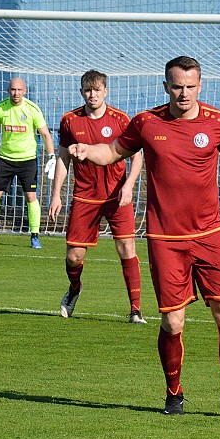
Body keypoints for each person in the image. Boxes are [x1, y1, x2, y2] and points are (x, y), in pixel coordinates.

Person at [68, 56, 220, 417]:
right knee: (173, 321)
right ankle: (174, 394)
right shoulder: (146, 123)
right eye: (176, 86)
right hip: (165, 238)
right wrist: (85, 151)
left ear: (200, 85)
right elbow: (112, 151)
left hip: (210, 235)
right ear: (166, 86)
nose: (183, 93)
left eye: (190, 86)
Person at [49, 70, 147, 324]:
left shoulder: (121, 120)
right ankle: (74, 288)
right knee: (74, 256)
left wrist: (130, 185)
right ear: (82, 92)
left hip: (117, 197)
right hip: (85, 196)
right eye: (87, 90)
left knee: (127, 248)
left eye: (97, 90)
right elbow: (63, 158)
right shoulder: (70, 120)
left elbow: (137, 154)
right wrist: (56, 194)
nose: (92, 94)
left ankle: (135, 309)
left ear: (106, 91)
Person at [0, 77, 55, 249]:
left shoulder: (32, 109)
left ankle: (35, 237)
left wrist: (52, 156)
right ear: (8, 91)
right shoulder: (1, 108)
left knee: (31, 196)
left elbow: (45, 134)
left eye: (19, 90)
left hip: (27, 160)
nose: (16, 93)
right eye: (13, 90)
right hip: (5, 159)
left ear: (25, 91)